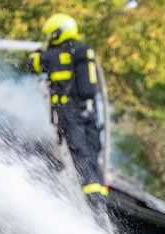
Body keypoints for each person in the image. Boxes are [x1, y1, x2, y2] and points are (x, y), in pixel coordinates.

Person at [27, 14, 107, 208]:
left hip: (70, 111)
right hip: (90, 110)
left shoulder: (54, 55)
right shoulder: (82, 50)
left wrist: (39, 51)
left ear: (59, 33)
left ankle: (90, 195)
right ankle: (99, 193)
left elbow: (33, 64)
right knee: (92, 151)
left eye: (52, 35)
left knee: (78, 151)